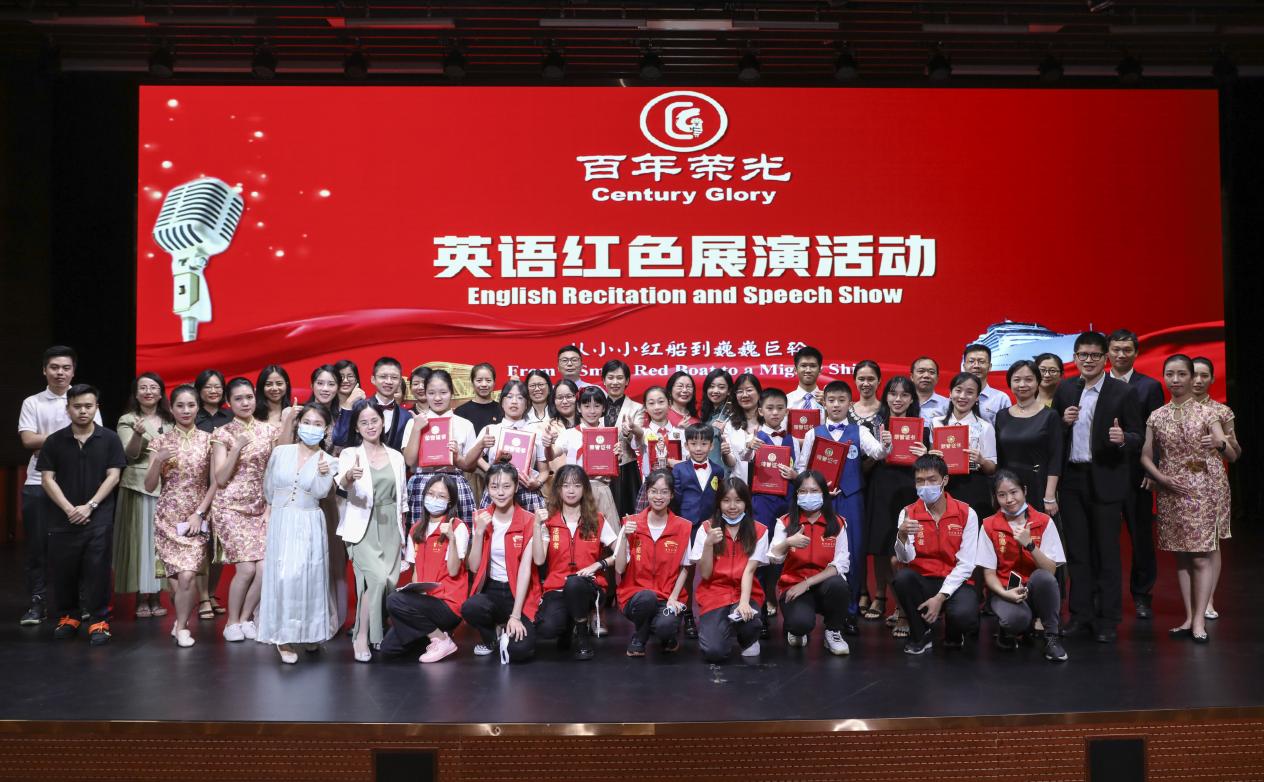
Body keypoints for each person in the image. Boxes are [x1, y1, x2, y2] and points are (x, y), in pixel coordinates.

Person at [1052, 331, 1143, 644]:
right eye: (1083, 355)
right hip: (1072, 480)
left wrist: (1124, 439)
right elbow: (1054, 436)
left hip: (1106, 477)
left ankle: (1108, 619)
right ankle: (1080, 615)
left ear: (1105, 358)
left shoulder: (1122, 392)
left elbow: (1138, 436)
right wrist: (1062, 423)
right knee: (1077, 552)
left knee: (1107, 552)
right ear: (1075, 358)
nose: (1088, 360)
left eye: (1094, 355)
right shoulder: (1066, 389)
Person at [1141, 355, 1234, 644]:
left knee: (1200, 557)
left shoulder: (1209, 413)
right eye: (1170, 374)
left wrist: (1220, 443)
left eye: (1182, 374)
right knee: (1180, 557)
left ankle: (1199, 621)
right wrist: (1161, 478)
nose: (1176, 380)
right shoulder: (1157, 415)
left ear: (1191, 377)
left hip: (1202, 490)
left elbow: (1231, 454)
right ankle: (1188, 617)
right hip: (1171, 491)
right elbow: (1145, 455)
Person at [17, 346, 100, 626]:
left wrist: (48, 440)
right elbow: (28, 440)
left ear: (73, 371)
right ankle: (37, 603)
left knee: (79, 547)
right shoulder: (33, 402)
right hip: (37, 483)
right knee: (37, 547)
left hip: (77, 485)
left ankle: (82, 603)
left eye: (66, 368)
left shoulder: (84, 399)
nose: (60, 373)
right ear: (44, 370)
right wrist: (70, 434)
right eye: (54, 367)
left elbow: (94, 437)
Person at [796, 379, 888, 634]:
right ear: (824, 403)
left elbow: (878, 453)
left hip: (852, 500)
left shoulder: (860, 431)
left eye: (841, 400)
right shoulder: (813, 433)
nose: (836, 405)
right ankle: (816, 608)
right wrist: (813, 489)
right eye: (831, 400)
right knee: (817, 553)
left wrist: (887, 443)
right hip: (820, 502)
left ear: (850, 404)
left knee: (853, 554)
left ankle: (849, 612)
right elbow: (803, 468)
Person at [41, 384, 125, 646]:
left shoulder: (110, 438)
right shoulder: (54, 441)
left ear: (96, 407)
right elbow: (47, 479)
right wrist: (69, 509)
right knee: (63, 569)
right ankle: (69, 617)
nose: (83, 411)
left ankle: (99, 620)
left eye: (88, 406)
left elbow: (114, 476)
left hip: (98, 516)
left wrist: (90, 506)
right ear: (68, 409)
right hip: (62, 518)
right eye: (77, 406)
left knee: (98, 569)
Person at [255, 402, 338, 664]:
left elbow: (321, 493)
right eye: (307, 422)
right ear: (298, 424)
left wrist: (324, 475)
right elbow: (269, 486)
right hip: (282, 520)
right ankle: (282, 636)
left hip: (309, 521)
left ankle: (310, 632)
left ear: (326, 429)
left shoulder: (329, 460)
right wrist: (273, 510)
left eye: (317, 424)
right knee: (284, 576)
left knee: (308, 576)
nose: (311, 428)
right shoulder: (281, 452)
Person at [145, 385, 216, 648]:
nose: (186, 410)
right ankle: (180, 622)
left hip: (195, 518)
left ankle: (183, 627)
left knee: (187, 576)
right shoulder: (160, 441)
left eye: (191, 405)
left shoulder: (209, 440)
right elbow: (149, 486)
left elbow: (215, 482)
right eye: (180, 406)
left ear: (198, 407)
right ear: (171, 408)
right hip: (168, 518)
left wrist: (200, 513)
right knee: (177, 583)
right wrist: (158, 460)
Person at [336, 401, 407, 662]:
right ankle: (361, 635)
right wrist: (349, 477)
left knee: (389, 582)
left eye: (374, 421)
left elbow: (402, 498)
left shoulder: (396, 456)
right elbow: (341, 484)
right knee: (375, 579)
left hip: (390, 524)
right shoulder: (349, 454)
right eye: (363, 422)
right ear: (356, 427)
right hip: (361, 523)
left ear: (383, 422)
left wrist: (403, 533)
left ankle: (378, 632)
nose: (370, 426)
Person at [210, 377, 279, 643]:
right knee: (247, 569)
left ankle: (246, 618)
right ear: (229, 402)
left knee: (264, 569)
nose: (245, 403)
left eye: (249, 397)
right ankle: (231, 622)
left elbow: (274, 472)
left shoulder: (268, 431)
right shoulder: (222, 434)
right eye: (238, 399)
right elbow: (220, 478)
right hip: (230, 507)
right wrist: (237, 447)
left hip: (260, 507)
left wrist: (270, 507)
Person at [892, 455, 980, 655]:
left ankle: (954, 632)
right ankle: (921, 634)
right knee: (903, 578)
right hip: (923, 579)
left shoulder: (966, 513)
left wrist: (940, 598)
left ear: (944, 480)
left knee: (964, 615)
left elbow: (966, 564)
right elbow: (905, 559)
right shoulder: (908, 513)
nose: (925, 486)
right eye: (920, 481)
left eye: (932, 480)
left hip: (956, 581)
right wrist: (902, 535)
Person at [978, 470, 1068, 662]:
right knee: (1016, 620)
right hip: (1005, 590)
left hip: (1035, 589)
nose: (1009, 499)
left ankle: (1051, 638)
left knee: (1044, 578)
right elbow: (989, 573)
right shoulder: (988, 525)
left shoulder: (1044, 521)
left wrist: (1030, 545)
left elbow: (1050, 570)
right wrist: (1004, 594)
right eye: (1002, 495)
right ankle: (1009, 630)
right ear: (996, 498)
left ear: (1024, 491)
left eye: (1014, 492)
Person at [1107, 329, 1167, 620]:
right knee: (1103, 540)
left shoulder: (1149, 386)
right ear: (1108, 352)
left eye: (1127, 350)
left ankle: (1142, 595)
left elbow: (1157, 432)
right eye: (1116, 349)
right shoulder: (1095, 383)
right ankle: (1103, 596)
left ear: (1136, 353)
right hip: (1103, 472)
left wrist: (1152, 468)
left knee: (1141, 538)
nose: (1121, 355)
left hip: (1137, 474)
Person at [381, 474, 470, 663]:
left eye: (441, 496)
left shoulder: (458, 527)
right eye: (431, 494)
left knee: (394, 600)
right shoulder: (416, 529)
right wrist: (413, 594)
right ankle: (434, 634)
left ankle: (441, 640)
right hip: (425, 603)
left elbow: (454, 570)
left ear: (450, 501)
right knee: (389, 648)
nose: (434, 499)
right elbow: (416, 573)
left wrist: (452, 539)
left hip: (448, 605)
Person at [532, 465, 617, 659]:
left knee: (575, 583)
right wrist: (537, 526)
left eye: (577, 485)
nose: (571, 491)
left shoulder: (597, 520)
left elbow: (622, 552)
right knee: (547, 628)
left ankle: (582, 635)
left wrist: (600, 564)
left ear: (585, 489)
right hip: (557, 587)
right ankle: (567, 626)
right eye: (566, 485)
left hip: (588, 586)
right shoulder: (549, 521)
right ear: (558, 489)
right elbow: (538, 559)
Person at [766, 470, 853, 655]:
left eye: (814, 491)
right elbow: (773, 556)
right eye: (803, 491)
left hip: (824, 586)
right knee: (799, 624)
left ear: (824, 493)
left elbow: (841, 565)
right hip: (793, 587)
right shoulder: (785, 522)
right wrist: (788, 542)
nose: (808, 495)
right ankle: (796, 628)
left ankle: (833, 631)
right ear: (796, 494)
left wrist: (806, 583)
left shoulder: (838, 523)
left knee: (839, 585)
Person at [462, 462, 541, 663]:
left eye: (506, 486)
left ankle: (509, 625)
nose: (500, 492)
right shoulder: (481, 517)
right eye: (494, 487)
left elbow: (525, 570)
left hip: (520, 593)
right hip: (492, 590)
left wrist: (516, 615)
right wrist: (479, 532)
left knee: (520, 652)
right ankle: (492, 639)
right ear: (487, 489)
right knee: (471, 607)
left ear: (516, 487)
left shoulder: (529, 520)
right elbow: (473, 566)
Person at [867, 376, 927, 634]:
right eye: (893, 393)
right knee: (881, 546)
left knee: (903, 549)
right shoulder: (874, 426)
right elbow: (864, 466)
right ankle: (881, 597)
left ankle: (902, 608)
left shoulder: (922, 428)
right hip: (881, 488)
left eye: (904, 394)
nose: (898, 399)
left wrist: (924, 455)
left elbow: (930, 469)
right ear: (886, 397)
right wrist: (880, 450)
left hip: (909, 491)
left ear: (912, 399)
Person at [614, 468, 692, 657]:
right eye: (654, 491)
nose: (658, 496)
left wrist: (673, 597)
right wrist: (624, 537)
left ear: (671, 495)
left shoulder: (683, 527)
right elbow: (619, 568)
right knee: (647, 598)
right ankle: (640, 637)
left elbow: (685, 568)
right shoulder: (631, 523)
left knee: (666, 627)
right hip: (636, 595)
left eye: (664, 492)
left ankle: (666, 636)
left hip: (667, 596)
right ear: (647, 492)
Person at [114, 373, 172, 619]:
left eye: (153, 387)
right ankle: (141, 598)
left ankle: (157, 597)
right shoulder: (128, 420)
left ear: (161, 393)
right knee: (141, 542)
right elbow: (130, 455)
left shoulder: (170, 420)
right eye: (143, 388)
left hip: (168, 487)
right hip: (138, 486)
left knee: (160, 544)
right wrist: (138, 434)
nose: (148, 392)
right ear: (136, 394)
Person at [691, 477, 768, 662]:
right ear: (719, 503)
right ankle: (721, 628)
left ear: (746, 503)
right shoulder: (706, 529)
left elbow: (750, 570)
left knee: (750, 622)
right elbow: (706, 574)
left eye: (738, 500)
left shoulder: (759, 530)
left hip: (746, 591)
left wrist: (744, 603)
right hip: (714, 593)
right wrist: (708, 544)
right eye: (726, 500)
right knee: (714, 652)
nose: (732, 506)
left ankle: (748, 639)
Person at [1191, 357, 1240, 620]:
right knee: (1187, 544)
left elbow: (1234, 454)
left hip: (1212, 482)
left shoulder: (1222, 411)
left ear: (1212, 379)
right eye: (1194, 375)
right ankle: (1192, 600)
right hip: (1183, 482)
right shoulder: (1172, 409)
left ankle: (1208, 599)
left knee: (1212, 542)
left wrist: (1225, 444)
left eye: (1204, 376)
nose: (1198, 381)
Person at [400, 369, 478, 527]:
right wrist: (417, 429)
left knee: (458, 535)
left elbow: (471, 467)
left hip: (454, 484)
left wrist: (457, 457)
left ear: (452, 393)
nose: (437, 398)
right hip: (422, 484)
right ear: (425, 394)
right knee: (420, 536)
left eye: (443, 392)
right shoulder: (414, 422)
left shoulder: (465, 424)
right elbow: (409, 461)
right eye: (431, 393)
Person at [671, 422, 727, 639]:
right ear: (686, 445)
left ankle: (711, 612)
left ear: (711, 445)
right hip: (686, 526)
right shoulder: (679, 469)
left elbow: (720, 499)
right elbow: (675, 500)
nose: (698, 448)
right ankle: (686, 615)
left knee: (711, 570)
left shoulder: (718, 470)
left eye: (704, 444)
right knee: (686, 571)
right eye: (693, 443)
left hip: (709, 527)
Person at [465, 379, 550, 512]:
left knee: (531, 526)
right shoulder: (491, 429)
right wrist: (489, 469)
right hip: (497, 491)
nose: (514, 401)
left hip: (527, 492)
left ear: (527, 404)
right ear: (502, 402)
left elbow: (544, 471)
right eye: (509, 397)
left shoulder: (535, 432)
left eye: (520, 397)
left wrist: (537, 483)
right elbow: (471, 459)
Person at [994, 360, 1063, 515]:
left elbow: (1055, 459)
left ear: (1038, 382)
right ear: (1010, 383)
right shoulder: (1002, 416)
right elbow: (999, 457)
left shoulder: (1050, 415)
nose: (1022, 384)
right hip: (1008, 486)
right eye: (1017, 380)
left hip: (1038, 484)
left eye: (1029, 379)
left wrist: (1050, 496)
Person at [547, 385, 619, 525]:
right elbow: (551, 455)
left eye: (597, 406)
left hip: (601, 489)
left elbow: (614, 469)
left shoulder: (610, 435)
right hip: (575, 491)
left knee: (606, 533)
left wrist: (617, 456)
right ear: (579, 408)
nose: (592, 411)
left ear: (603, 408)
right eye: (586, 406)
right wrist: (547, 445)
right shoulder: (569, 434)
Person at [930, 372, 998, 520]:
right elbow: (931, 460)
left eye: (970, 392)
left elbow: (992, 468)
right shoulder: (936, 423)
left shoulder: (985, 427)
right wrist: (931, 456)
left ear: (977, 397)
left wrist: (981, 460)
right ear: (950, 393)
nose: (962, 396)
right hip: (942, 486)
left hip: (974, 486)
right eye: (958, 390)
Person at [335, 357, 412, 450]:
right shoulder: (358, 407)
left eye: (394, 377)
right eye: (383, 376)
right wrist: (348, 404)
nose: (388, 381)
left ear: (400, 382)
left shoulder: (406, 416)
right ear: (373, 379)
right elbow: (339, 439)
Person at [601, 360, 643, 517]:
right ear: (604, 380)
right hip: (598, 469)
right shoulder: (594, 406)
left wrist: (629, 433)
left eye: (619, 378)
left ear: (627, 381)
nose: (615, 382)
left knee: (626, 516)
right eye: (610, 377)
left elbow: (638, 440)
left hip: (626, 470)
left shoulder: (637, 408)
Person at [723, 373, 763, 485]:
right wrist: (725, 453)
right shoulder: (730, 425)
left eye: (749, 390)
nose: (744, 395)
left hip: (766, 486)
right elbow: (731, 463)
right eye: (740, 391)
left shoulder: (769, 422)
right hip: (738, 486)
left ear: (759, 392)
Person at [962, 343, 1012, 424]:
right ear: (964, 366)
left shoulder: (1001, 399)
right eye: (971, 361)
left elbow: (1007, 428)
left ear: (990, 366)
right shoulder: (957, 397)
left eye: (981, 361)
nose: (976, 366)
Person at [454, 363, 504, 434]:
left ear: (494, 383)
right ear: (472, 383)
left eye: (488, 380)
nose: (484, 384)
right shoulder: (460, 412)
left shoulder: (502, 410)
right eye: (479, 380)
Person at [699, 368, 735, 466]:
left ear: (729, 391)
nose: (715, 391)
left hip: (724, 471)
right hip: (704, 470)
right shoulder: (705, 414)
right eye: (711, 386)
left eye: (721, 387)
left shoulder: (732, 415)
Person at [848, 360, 883, 437]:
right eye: (861, 379)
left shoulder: (887, 410)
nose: (866, 384)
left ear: (879, 380)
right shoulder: (845, 411)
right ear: (855, 380)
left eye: (871, 379)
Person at [911, 356, 949, 424]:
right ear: (912, 376)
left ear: (937, 378)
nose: (926, 376)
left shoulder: (947, 404)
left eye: (931, 372)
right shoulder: (902, 403)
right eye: (921, 371)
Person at [785, 345, 824, 410]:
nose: (808, 370)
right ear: (795, 370)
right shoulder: (786, 401)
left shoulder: (827, 401)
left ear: (820, 370)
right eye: (803, 365)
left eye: (813, 366)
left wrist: (827, 407)